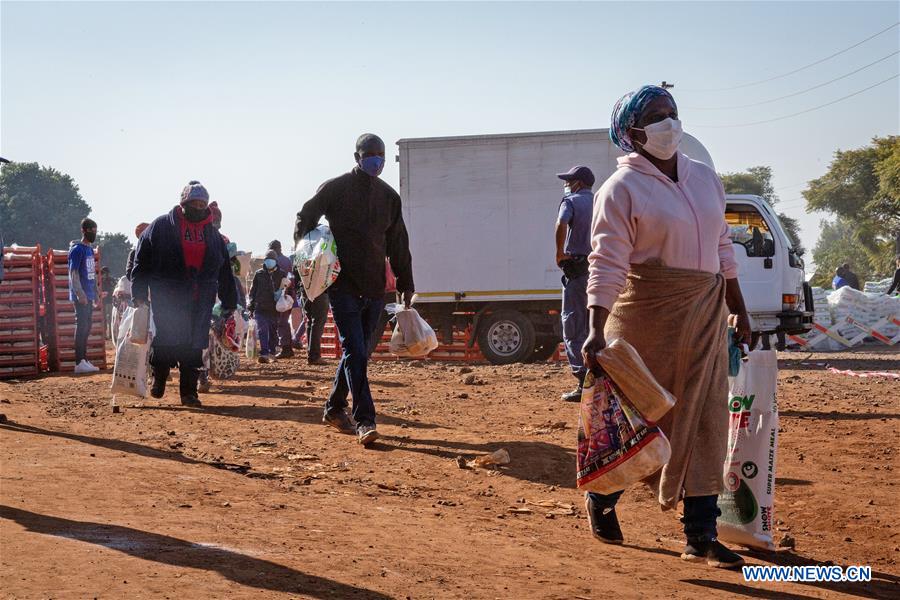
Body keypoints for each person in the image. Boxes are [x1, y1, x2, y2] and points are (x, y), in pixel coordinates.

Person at [581, 85, 752, 568]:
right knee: (642, 420)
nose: (669, 124)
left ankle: (700, 534)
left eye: (672, 113)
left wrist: (738, 307)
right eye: (656, 117)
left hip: (703, 311)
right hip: (646, 315)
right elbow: (607, 261)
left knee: (704, 421)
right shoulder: (620, 189)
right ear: (631, 133)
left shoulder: (704, 178)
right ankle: (604, 497)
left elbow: (722, 245)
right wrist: (595, 329)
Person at [295, 133, 414, 446]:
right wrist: (308, 252)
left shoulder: (389, 197)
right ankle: (365, 420)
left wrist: (406, 282)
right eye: (370, 153)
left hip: (375, 288)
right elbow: (306, 215)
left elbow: (399, 243)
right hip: (343, 285)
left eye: (380, 154)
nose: (376, 159)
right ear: (357, 156)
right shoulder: (335, 189)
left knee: (356, 353)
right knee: (356, 351)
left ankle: (334, 408)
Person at [131, 180, 236, 407]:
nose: (199, 207)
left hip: (201, 298)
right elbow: (141, 259)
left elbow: (225, 270)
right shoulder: (160, 226)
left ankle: (189, 393)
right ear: (183, 204)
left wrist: (230, 301)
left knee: (194, 345)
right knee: (166, 340)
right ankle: (158, 378)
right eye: (194, 203)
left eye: (202, 204)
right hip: (167, 296)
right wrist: (138, 291)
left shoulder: (213, 236)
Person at [554, 165, 595, 402]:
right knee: (595, 325)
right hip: (599, 268)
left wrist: (559, 253)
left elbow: (561, 224)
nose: (568, 184)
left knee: (573, 322)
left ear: (578, 182)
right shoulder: (600, 201)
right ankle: (599, 380)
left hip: (577, 270)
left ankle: (583, 382)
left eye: (570, 180)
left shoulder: (571, 201)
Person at [69, 218, 100, 374]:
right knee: (81, 326)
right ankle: (78, 361)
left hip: (88, 295)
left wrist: (95, 294)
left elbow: (91, 274)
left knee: (87, 327)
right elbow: (73, 273)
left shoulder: (89, 250)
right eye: (91, 231)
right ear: (83, 231)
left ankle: (84, 359)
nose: (93, 233)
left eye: (95, 231)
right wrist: (79, 293)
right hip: (81, 295)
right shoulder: (77, 250)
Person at [248, 250, 291, 363]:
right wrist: (250, 306)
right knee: (263, 329)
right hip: (260, 308)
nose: (269, 262)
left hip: (274, 309)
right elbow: (252, 292)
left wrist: (282, 292)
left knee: (272, 331)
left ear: (275, 261)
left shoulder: (282, 274)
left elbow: (287, 289)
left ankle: (271, 352)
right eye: (267, 260)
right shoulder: (259, 274)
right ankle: (264, 353)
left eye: (271, 260)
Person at [267, 240, 296, 359]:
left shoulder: (276, 262)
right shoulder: (287, 260)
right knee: (284, 321)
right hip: (289, 295)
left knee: (281, 322)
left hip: (281, 296)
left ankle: (286, 348)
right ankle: (286, 346)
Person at [367, 260, 398, 358]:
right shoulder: (391, 261)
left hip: (382, 295)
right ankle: (402, 351)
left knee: (378, 326)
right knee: (397, 325)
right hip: (393, 295)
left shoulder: (379, 260)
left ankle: (367, 352)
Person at [100, 267, 115, 340]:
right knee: (104, 319)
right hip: (103, 302)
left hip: (109, 301)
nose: (105, 274)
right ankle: (105, 334)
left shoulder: (111, 280)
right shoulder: (100, 280)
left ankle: (110, 334)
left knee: (110, 319)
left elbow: (115, 288)